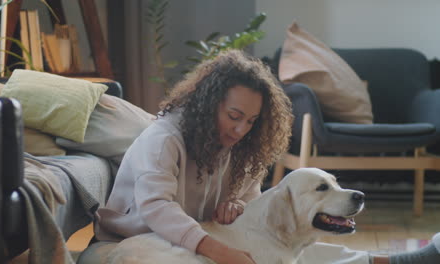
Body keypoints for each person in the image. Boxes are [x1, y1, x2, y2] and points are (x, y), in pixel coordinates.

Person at [81, 49, 440, 264]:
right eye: (234, 117)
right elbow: (156, 208)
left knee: (292, 245)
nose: (241, 130)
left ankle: (400, 261)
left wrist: (236, 204)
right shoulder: (164, 140)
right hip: (130, 246)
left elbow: (250, 196)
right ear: (208, 106)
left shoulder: (241, 146)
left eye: (251, 121)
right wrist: (221, 251)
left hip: (199, 236)